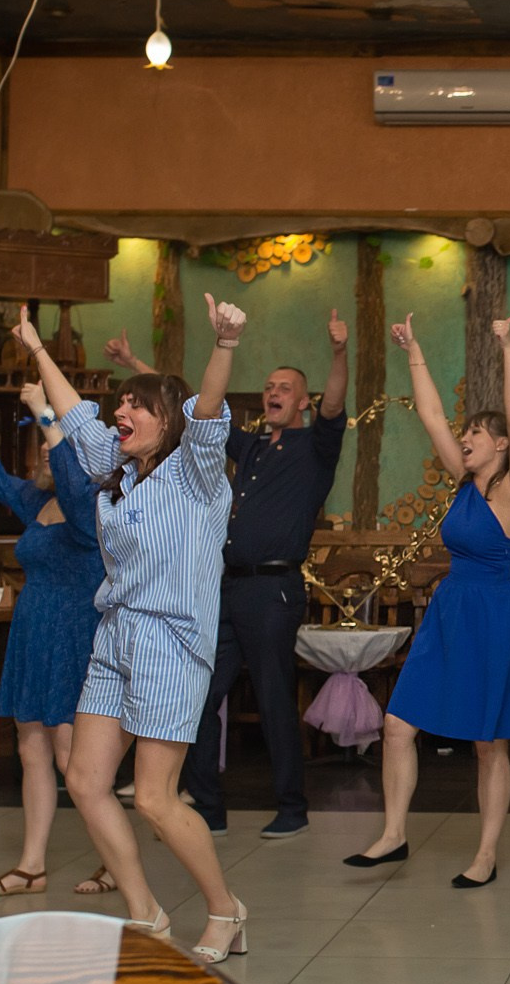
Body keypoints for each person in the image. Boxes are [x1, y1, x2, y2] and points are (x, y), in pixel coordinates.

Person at [16, 298, 253, 962]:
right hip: (113, 636)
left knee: (153, 796)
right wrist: (36, 347)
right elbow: (75, 415)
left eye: (136, 406)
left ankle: (224, 909)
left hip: (171, 647)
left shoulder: (196, 473)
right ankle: (145, 914)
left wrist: (226, 343)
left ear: (166, 419)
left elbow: (206, 412)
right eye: (120, 405)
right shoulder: (116, 472)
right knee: (87, 781)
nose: (121, 414)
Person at [101, 317, 351, 841]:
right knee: (201, 693)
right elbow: (194, 411)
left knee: (273, 694)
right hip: (226, 587)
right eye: (269, 386)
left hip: (273, 590)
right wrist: (136, 368)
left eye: (285, 388)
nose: (274, 392)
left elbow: (333, 406)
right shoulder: (254, 447)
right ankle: (209, 806)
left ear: (302, 401)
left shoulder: (316, 447)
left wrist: (338, 352)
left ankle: (291, 806)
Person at [352, 315, 510, 887]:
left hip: (492, 614)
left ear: (501, 445)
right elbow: (431, 414)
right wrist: (414, 350)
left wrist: (507, 344)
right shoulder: (462, 481)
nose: (465, 438)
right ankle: (393, 834)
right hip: (449, 609)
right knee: (398, 724)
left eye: (477, 435)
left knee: (488, 744)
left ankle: (485, 855)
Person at [0, 379, 106, 899]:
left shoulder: (94, 505)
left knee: (70, 758)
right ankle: (32, 865)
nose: (41, 450)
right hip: (34, 632)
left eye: (50, 441)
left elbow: (77, 498)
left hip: (76, 635)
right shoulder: (36, 500)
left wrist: (50, 419)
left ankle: (113, 860)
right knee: (31, 748)